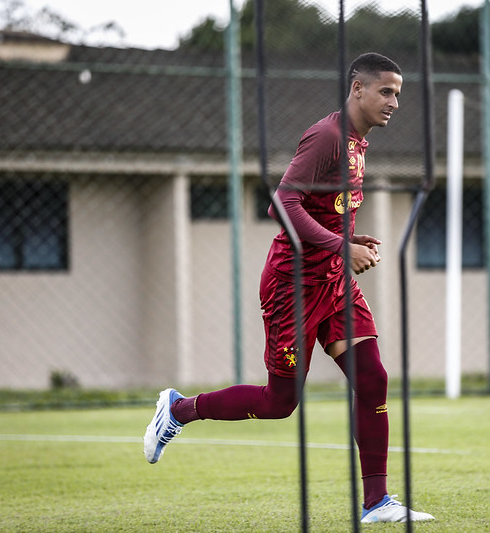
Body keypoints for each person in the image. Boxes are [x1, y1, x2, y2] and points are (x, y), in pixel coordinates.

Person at [144, 52, 434, 524]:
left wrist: (347, 237)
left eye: (399, 93)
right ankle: (179, 409)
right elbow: (282, 203)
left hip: (333, 283)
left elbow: (324, 207)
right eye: (386, 91)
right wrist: (341, 246)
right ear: (357, 89)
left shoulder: (359, 142)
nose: (395, 102)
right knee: (280, 403)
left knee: (373, 379)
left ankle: (377, 503)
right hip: (292, 287)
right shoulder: (328, 137)